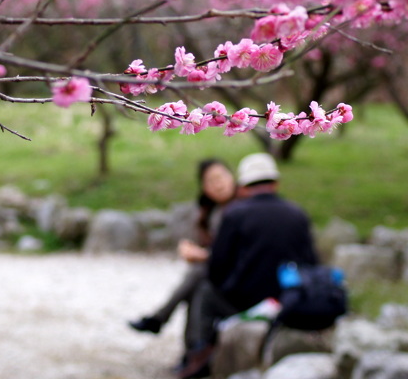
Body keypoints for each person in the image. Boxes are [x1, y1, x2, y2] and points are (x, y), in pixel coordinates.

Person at [177, 152, 319, 379]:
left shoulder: (235, 214)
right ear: (276, 182)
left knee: (204, 291)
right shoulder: (297, 213)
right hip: (286, 298)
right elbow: (312, 262)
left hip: (246, 300)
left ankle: (197, 354)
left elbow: (217, 267)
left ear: (242, 185)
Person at [128, 158, 237, 341]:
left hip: (238, 273)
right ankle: (190, 353)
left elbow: (236, 251)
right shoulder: (210, 212)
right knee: (196, 287)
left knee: (198, 274)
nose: (218, 184)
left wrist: (204, 255)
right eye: (211, 181)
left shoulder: (241, 209)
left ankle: (160, 318)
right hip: (218, 271)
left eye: (221, 177)